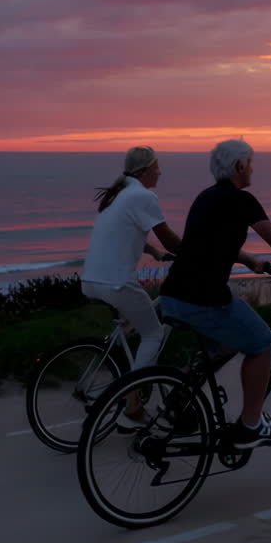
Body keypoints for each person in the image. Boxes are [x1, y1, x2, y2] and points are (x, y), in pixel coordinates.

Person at [159, 139, 271, 449]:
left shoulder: (205, 198)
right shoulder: (243, 201)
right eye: (251, 162)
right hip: (203, 300)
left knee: (227, 345)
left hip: (173, 295)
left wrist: (248, 260)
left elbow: (211, 244)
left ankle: (183, 386)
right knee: (262, 344)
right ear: (239, 166)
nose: (253, 168)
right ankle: (250, 425)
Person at [81, 146, 182, 431]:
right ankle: (133, 407)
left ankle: (119, 363)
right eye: (157, 166)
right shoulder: (144, 195)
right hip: (116, 282)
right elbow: (171, 239)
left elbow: (127, 229)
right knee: (154, 332)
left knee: (134, 321)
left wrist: (152, 251)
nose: (160, 172)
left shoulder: (120, 195)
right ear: (144, 170)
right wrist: (194, 254)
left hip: (92, 279)